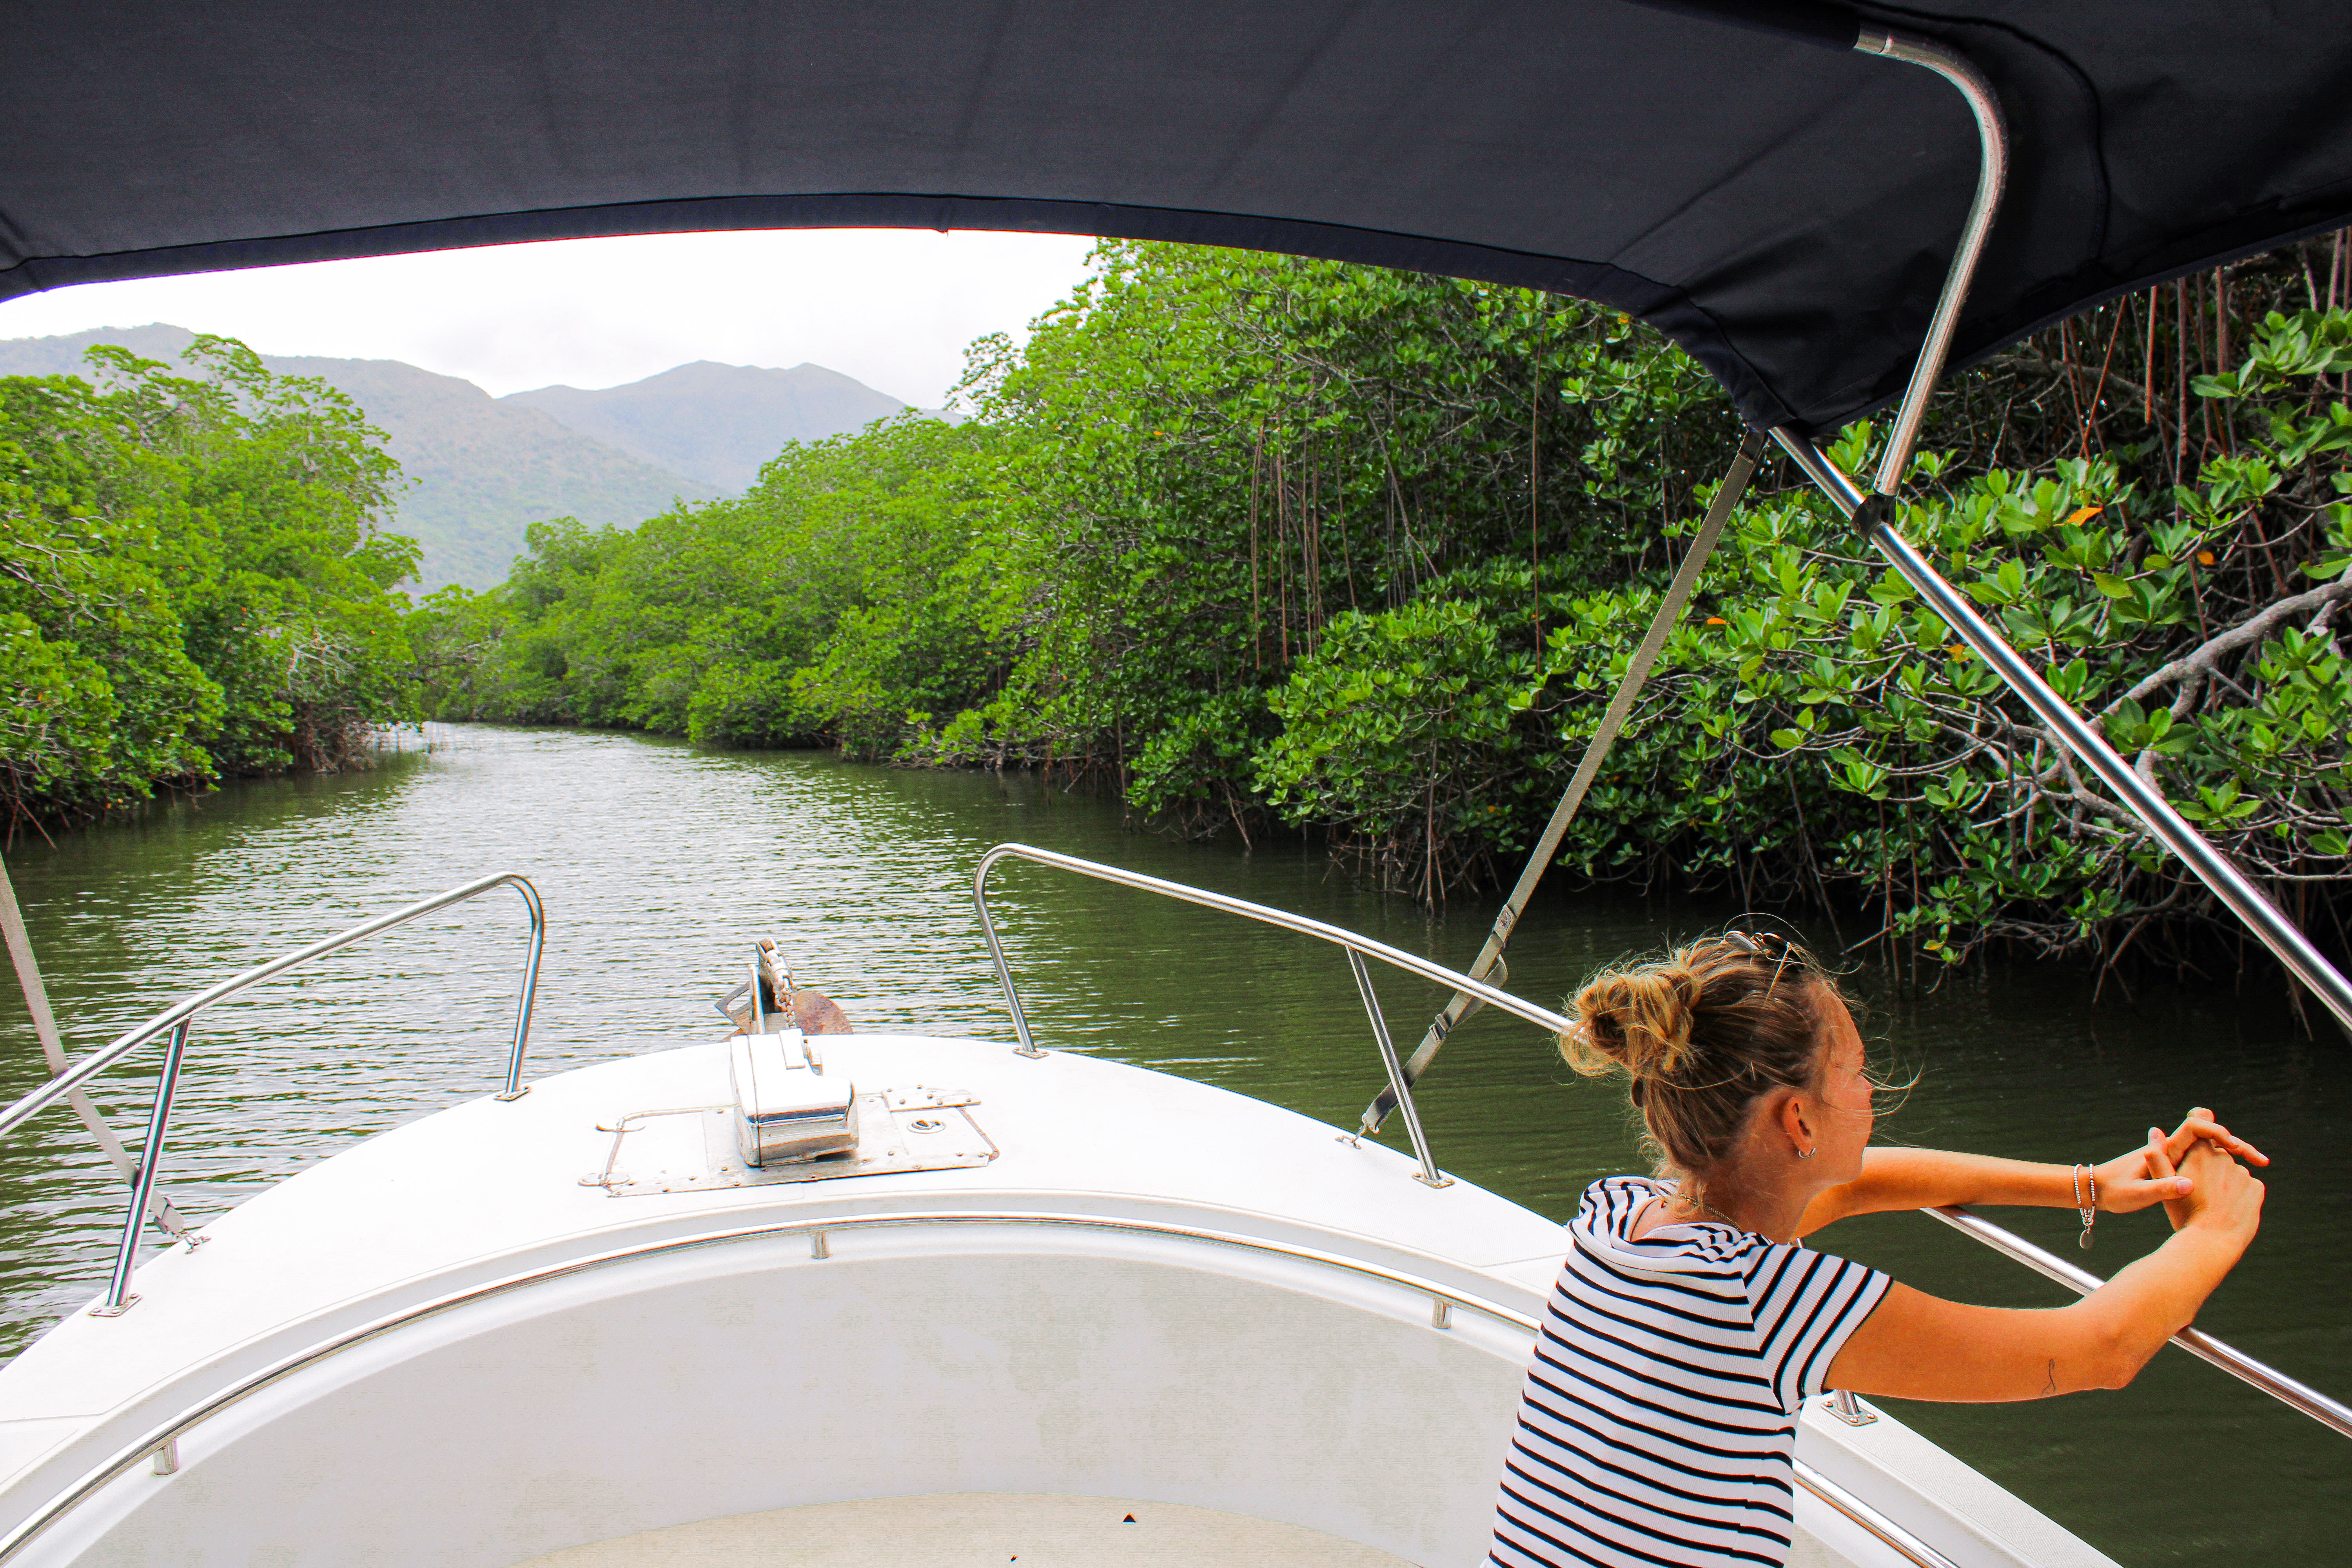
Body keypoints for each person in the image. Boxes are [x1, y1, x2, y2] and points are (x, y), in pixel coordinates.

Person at [1489, 929, 2267, 1568]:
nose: (1871, 1092)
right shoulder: (1762, 1299)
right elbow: (2100, 1348)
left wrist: (2087, 1182)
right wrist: (2216, 1227)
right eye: (1856, 1072)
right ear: (1798, 1122)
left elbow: (1856, 1187)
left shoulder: (1619, 1220)